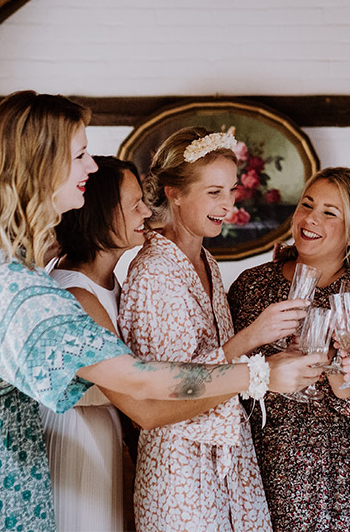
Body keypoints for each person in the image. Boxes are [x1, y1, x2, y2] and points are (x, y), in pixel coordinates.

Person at [0, 93, 322, 532]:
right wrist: (262, 374)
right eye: (81, 154)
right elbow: (141, 383)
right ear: (40, 166)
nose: (91, 165)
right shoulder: (17, 289)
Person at [119, 127, 310, 532]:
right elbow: (164, 392)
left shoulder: (208, 260)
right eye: (213, 192)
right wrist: (250, 338)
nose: (228, 204)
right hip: (179, 465)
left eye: (232, 190)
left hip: (229, 454)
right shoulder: (153, 272)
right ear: (174, 192)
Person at [41, 156, 239, 531]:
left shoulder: (112, 282)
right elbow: (144, 408)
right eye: (134, 204)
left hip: (107, 440)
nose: (146, 211)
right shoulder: (76, 295)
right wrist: (252, 374)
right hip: (77, 443)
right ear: (99, 212)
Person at [229, 167, 350, 532]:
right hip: (262, 463)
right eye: (307, 205)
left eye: (329, 212)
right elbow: (223, 372)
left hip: (338, 477)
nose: (311, 218)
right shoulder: (253, 285)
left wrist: (335, 364)